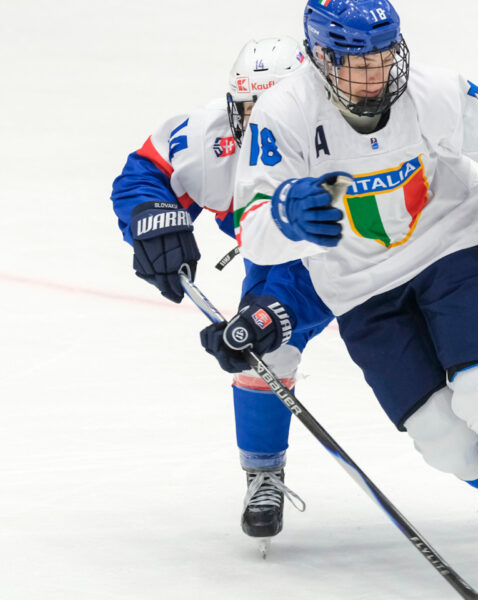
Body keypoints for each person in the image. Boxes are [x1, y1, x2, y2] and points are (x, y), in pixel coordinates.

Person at [221, 0, 478, 588]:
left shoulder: (434, 91)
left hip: (456, 254)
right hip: (361, 292)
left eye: (384, 55)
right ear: (321, 57)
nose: (378, 73)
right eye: (358, 61)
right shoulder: (284, 113)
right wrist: (285, 213)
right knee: (446, 444)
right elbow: (254, 229)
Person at [109, 37, 317, 545]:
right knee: (264, 349)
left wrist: (272, 310)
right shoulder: (210, 136)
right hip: (276, 258)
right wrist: (152, 218)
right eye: (251, 108)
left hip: (368, 262)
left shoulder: (335, 142)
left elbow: (325, 262)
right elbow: (148, 171)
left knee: (451, 394)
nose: (261, 123)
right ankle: (263, 473)